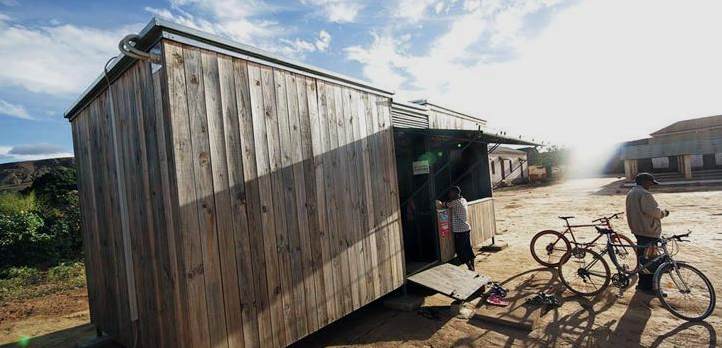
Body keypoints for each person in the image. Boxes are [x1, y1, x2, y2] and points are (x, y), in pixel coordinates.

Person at [625, 172, 670, 294]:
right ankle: (647, 286)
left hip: (638, 229)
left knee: (644, 258)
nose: (651, 186)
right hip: (648, 231)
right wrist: (663, 213)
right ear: (645, 182)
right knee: (650, 261)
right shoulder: (644, 194)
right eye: (650, 183)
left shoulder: (631, 193)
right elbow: (652, 211)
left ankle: (644, 284)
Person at [436, 186, 475, 271]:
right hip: (466, 228)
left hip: (460, 231)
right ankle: (473, 267)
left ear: (455, 193)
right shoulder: (463, 200)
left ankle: (470, 267)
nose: (449, 194)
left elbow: (443, 205)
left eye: (451, 193)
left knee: (460, 250)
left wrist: (438, 202)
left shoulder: (455, 202)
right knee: (468, 248)